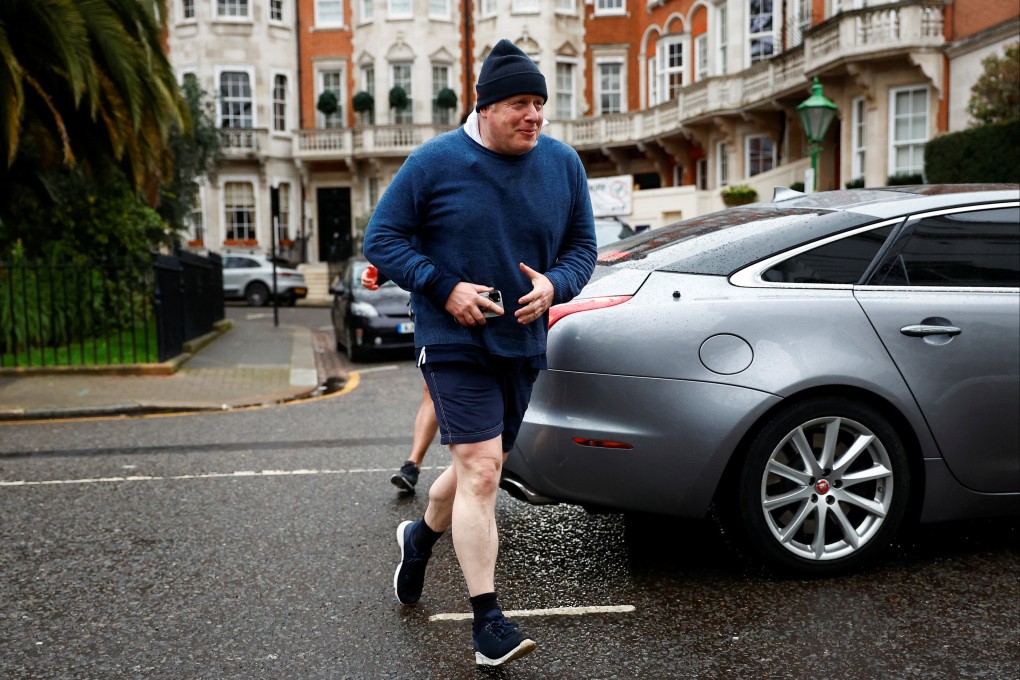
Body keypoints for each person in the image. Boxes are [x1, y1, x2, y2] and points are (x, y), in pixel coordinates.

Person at [363, 39, 597, 667]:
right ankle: (487, 622)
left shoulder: (563, 165)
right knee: (484, 470)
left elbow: (582, 250)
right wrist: (445, 287)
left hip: (522, 340)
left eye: (540, 104)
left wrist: (555, 285)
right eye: (521, 103)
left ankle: (420, 536)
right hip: (452, 340)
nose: (535, 116)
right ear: (487, 107)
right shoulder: (435, 162)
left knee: (477, 468)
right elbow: (380, 238)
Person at [360, 263, 439, 493]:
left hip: (487, 306)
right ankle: (413, 464)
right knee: (433, 388)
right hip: (436, 309)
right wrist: (383, 271)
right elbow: (414, 243)